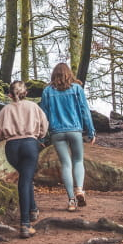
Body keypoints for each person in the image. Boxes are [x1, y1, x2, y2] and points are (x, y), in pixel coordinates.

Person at [0, 80, 49, 238]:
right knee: (25, 180)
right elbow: (44, 125)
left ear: (10, 94)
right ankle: (25, 224)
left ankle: (33, 210)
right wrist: (40, 135)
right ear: (26, 93)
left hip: (12, 147)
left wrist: (7, 134)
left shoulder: (5, 109)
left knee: (26, 178)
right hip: (30, 145)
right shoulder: (33, 107)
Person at [39, 62, 95, 211]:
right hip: (75, 130)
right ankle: (79, 190)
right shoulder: (77, 89)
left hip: (57, 132)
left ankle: (71, 201)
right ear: (69, 74)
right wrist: (91, 132)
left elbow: (43, 115)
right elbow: (85, 111)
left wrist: (42, 137)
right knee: (78, 160)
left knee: (66, 164)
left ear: (54, 75)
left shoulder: (47, 91)